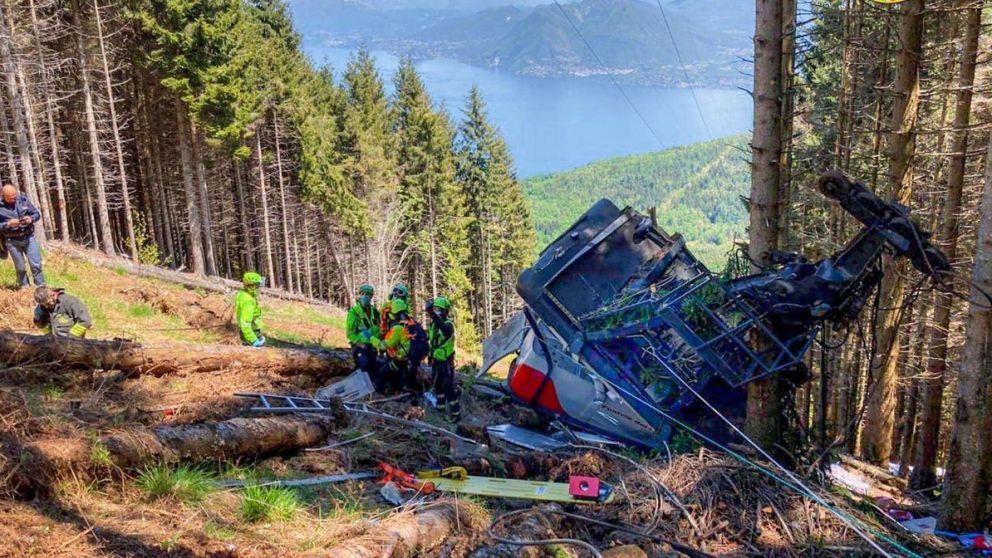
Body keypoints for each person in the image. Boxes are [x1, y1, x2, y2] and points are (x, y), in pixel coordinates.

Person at [372, 298, 428, 395]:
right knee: (401, 378)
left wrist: (371, 338)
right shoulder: (411, 324)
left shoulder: (398, 328)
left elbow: (383, 345)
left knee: (381, 374)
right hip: (409, 360)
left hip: (400, 360)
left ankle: (381, 394)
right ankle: (402, 391)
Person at [0, 184, 45, 289]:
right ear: (3, 196)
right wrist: (7, 224)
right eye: (10, 199)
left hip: (29, 237)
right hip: (12, 241)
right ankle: (24, 288)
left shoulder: (23, 200)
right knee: (20, 267)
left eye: (14, 197)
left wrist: (30, 219)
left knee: (36, 264)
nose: (13, 200)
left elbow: (36, 214)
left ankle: (41, 286)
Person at [427, 296, 459, 420]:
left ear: (445, 311)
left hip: (446, 361)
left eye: (438, 309)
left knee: (448, 387)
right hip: (436, 359)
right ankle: (440, 408)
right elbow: (433, 341)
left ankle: (455, 414)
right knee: (438, 385)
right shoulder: (432, 325)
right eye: (435, 309)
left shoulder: (448, 325)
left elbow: (444, 329)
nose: (436, 311)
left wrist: (432, 314)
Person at [346, 284, 381, 377]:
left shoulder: (374, 311)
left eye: (367, 294)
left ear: (371, 296)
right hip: (361, 346)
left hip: (373, 346)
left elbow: (379, 328)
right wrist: (360, 344)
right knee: (364, 365)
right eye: (362, 293)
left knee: (374, 369)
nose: (365, 296)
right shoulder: (354, 312)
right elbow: (350, 333)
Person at [235, 272, 265, 346]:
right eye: (258, 286)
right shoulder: (248, 302)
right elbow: (245, 323)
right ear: (252, 287)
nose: (259, 289)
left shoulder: (243, 295)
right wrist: (254, 340)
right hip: (251, 333)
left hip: (247, 333)